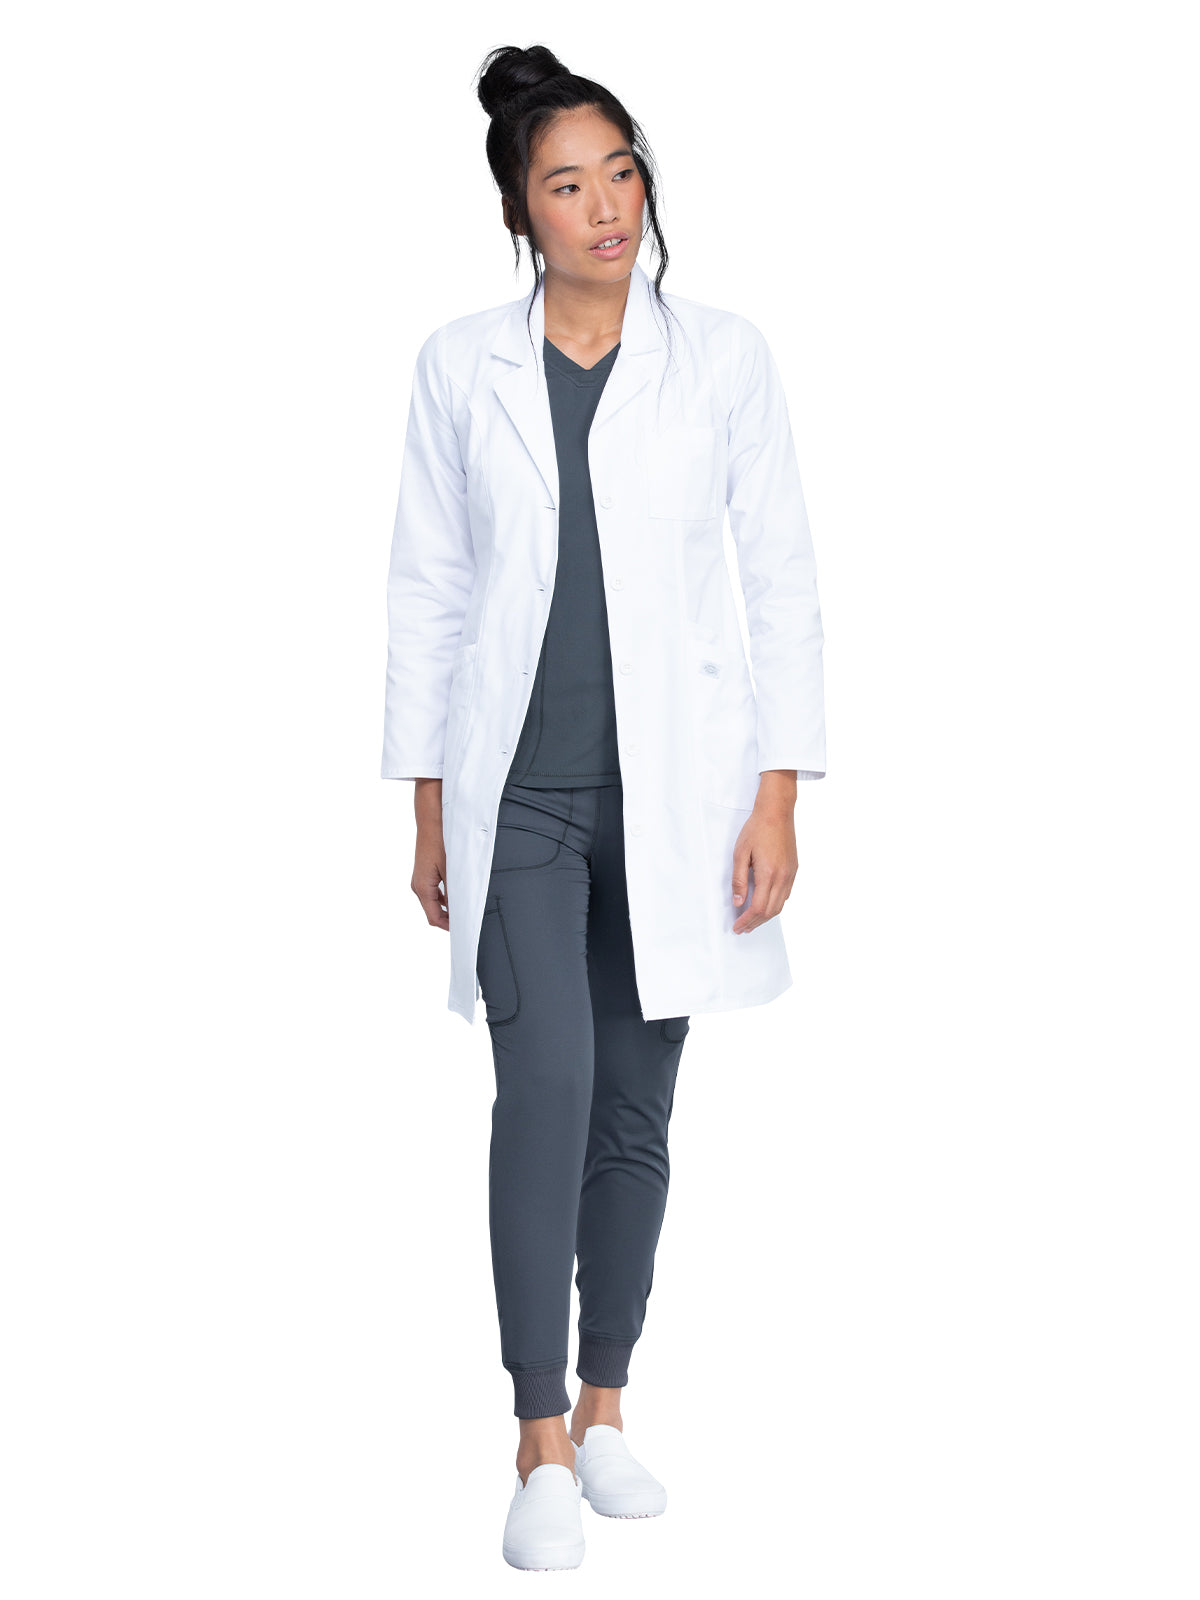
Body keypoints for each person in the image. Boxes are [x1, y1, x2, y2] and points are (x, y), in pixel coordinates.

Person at [380, 43, 826, 1571]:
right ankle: (536, 1438)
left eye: (621, 173)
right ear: (522, 212)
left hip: (678, 806)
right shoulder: (461, 367)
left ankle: (609, 1403)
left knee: (635, 1111)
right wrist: (428, 811)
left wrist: (777, 794)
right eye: (568, 185)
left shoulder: (725, 360)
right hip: (522, 803)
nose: (606, 206)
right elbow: (430, 593)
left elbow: (781, 580)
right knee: (548, 1094)